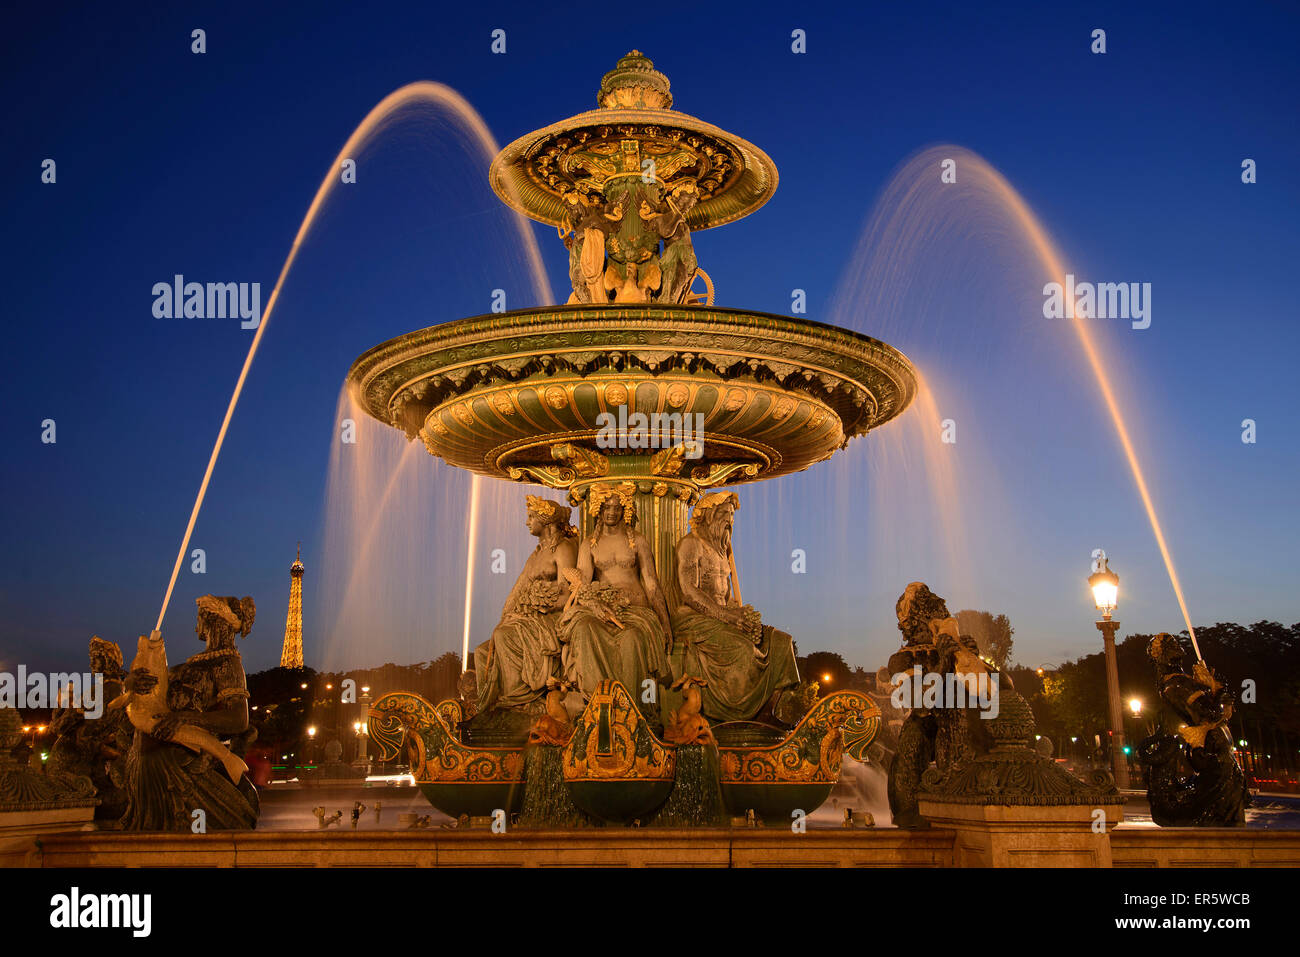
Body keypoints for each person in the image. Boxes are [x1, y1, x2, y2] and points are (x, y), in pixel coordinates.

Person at [118, 595, 259, 831]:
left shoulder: (228, 663)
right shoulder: (188, 666)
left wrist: (183, 717)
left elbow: (239, 720)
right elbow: (149, 696)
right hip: (145, 762)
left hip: (177, 766)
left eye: (201, 616)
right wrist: (131, 684)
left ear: (212, 619)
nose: (197, 624)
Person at [672, 491, 801, 723]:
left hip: (723, 617)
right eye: (725, 514)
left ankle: (773, 708)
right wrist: (728, 617)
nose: (730, 521)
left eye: (732, 515)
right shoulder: (691, 544)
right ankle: (738, 715)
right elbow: (689, 591)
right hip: (694, 618)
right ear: (710, 515)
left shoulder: (723, 552)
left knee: (781, 641)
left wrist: (741, 614)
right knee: (743, 649)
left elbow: (727, 596)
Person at [561, 481, 673, 715]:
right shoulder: (588, 544)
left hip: (634, 610)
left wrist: (664, 622)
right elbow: (581, 585)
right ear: (599, 510)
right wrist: (595, 604)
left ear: (625, 510)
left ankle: (634, 711)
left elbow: (651, 583)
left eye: (617, 507)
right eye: (606, 507)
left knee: (632, 639)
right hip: (600, 609)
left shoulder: (638, 541)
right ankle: (595, 704)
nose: (611, 512)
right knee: (582, 629)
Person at [473, 495, 578, 713]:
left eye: (531, 517)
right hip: (529, 619)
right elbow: (517, 590)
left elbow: (568, 594)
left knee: (503, 637)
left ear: (546, 521)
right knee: (483, 651)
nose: (527, 522)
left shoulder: (563, 549)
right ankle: (488, 711)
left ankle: (518, 702)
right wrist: (506, 616)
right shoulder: (535, 556)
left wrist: (538, 606)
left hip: (553, 617)